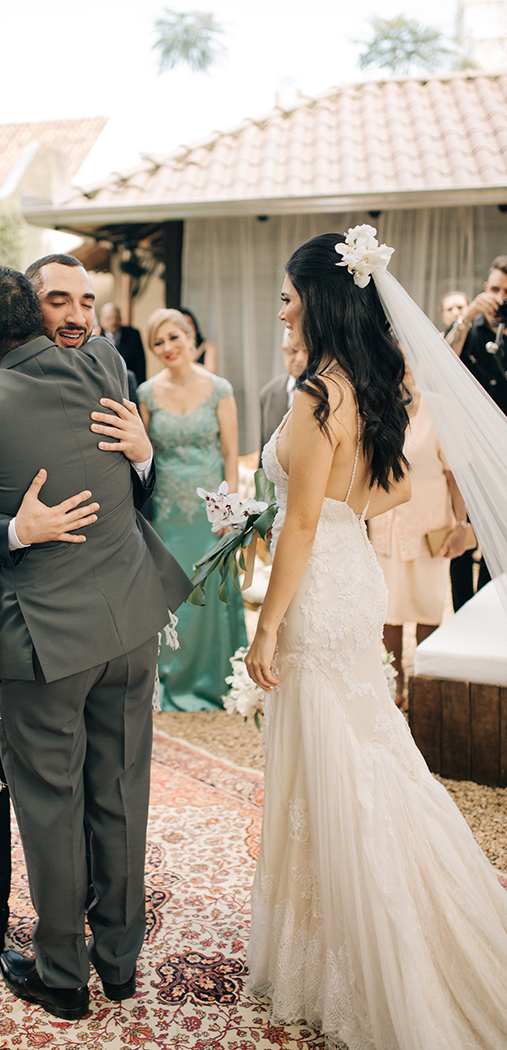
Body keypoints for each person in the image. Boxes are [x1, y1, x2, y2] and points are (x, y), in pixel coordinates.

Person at [245, 230, 507, 1049]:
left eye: (288, 297)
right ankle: (364, 919)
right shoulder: (371, 384)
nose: (281, 311)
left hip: (319, 584)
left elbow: (299, 525)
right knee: (367, 748)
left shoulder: (313, 395)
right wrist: (331, 512)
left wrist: (266, 624)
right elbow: (391, 490)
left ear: (320, 300)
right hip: (355, 571)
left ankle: (361, 938)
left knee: (333, 758)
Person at [0, 267, 192, 1020]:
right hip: (130, 625)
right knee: (122, 793)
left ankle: (63, 976)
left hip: (46, 646)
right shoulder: (105, 362)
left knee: (51, 808)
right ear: (36, 319)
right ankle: (120, 962)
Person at [137, 308, 247, 711]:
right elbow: (143, 457)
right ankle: (172, 677)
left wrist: (229, 510)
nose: (167, 347)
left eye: (174, 337)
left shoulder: (219, 388)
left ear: (190, 337)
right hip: (167, 514)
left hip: (210, 513)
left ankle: (217, 679)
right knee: (174, 595)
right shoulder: (146, 394)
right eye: (158, 342)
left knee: (211, 592)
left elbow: (231, 452)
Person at [368, 369, 468, 706]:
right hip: (385, 525)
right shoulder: (374, 406)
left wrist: (461, 525)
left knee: (428, 607)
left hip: (429, 528)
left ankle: (424, 686)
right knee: (388, 610)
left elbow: (455, 475)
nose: (403, 373)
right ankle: (395, 682)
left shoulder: (440, 410)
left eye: (408, 365)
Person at [445, 257, 507, 608]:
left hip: (503, 458)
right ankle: (460, 614)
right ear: (485, 289)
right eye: (495, 289)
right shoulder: (470, 329)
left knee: (498, 543)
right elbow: (438, 362)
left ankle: (487, 611)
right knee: (463, 538)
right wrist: (467, 316)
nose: (500, 298)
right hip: (468, 455)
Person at [258, 330, 308, 454]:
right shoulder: (268, 394)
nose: (299, 358)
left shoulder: (327, 394)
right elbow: (264, 452)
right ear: (283, 350)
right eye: (293, 350)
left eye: (307, 351)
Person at [97, 302, 146, 386]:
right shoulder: (96, 338)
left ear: (120, 318)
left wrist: (140, 386)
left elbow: (140, 363)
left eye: (116, 318)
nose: (113, 322)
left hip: (130, 383)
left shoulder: (133, 335)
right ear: (101, 321)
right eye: (108, 319)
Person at [180, 307, 219, 373]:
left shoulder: (208, 345)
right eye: (183, 324)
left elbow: (211, 371)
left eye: (189, 323)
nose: (187, 327)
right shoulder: (176, 349)